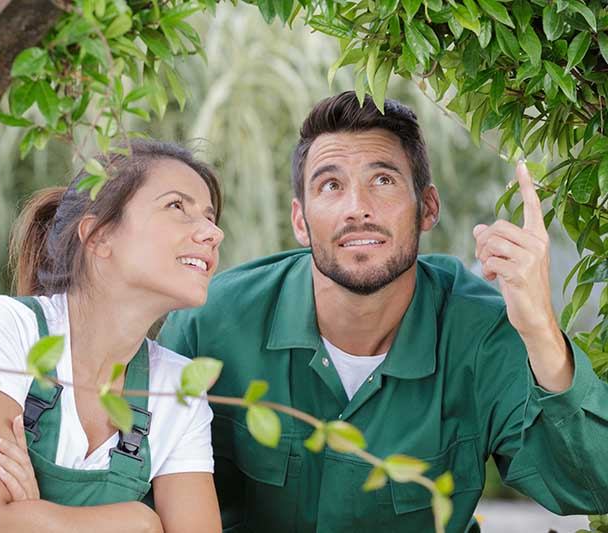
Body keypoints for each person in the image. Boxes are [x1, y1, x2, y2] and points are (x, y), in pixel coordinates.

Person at [157, 92, 608, 532]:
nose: (358, 209)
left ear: (427, 208)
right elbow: (141, 491)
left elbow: (593, 485)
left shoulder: (482, 332)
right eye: (331, 185)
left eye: (383, 180)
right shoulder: (210, 323)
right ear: (300, 220)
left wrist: (541, 330)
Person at [0, 139, 224, 533]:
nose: (213, 233)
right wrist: (140, 522)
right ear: (98, 237)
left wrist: (32, 513)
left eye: (210, 217)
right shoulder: (0, 330)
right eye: (177, 206)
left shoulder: (176, 388)